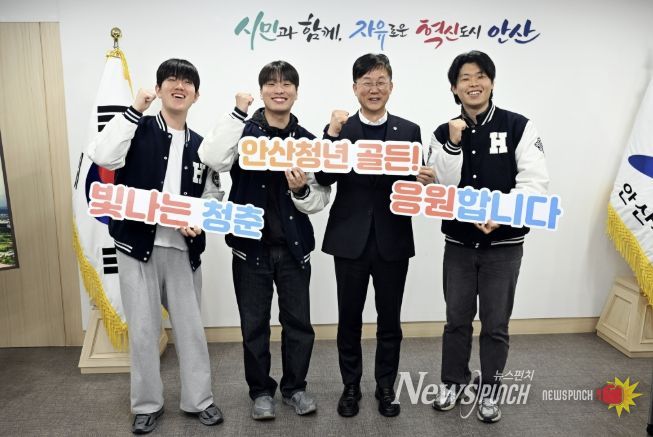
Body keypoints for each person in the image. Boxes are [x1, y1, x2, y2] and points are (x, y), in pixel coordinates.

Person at [87, 59, 224, 434]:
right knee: (144, 331)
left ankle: (200, 400)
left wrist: (201, 218)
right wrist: (135, 109)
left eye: (187, 82)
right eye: (171, 80)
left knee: (191, 331)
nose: (179, 86)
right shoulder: (137, 127)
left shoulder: (203, 146)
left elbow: (212, 194)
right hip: (136, 246)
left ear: (196, 94)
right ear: (159, 88)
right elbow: (103, 156)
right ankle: (146, 405)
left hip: (183, 249)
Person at [198, 60, 330, 421]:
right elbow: (211, 157)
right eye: (271, 84)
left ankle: (295, 388)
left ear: (296, 92)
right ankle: (260, 391)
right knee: (254, 326)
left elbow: (320, 199)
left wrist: (300, 190)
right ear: (261, 91)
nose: (279, 90)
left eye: (287, 84)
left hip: (293, 248)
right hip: (250, 248)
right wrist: (237, 113)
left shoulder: (306, 141)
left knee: (298, 324)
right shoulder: (243, 132)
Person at [429, 50, 549, 423]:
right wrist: (452, 144)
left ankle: (491, 391)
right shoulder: (442, 132)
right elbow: (441, 187)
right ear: (454, 87)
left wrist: (502, 213)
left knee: (496, 324)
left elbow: (535, 182)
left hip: (504, 247)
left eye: (480, 76)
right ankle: (453, 382)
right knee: (456, 320)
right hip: (459, 245)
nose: (473, 83)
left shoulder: (518, 126)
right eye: (465, 78)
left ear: (492, 82)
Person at [316, 53, 435, 418]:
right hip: (349, 239)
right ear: (355, 88)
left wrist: (421, 181)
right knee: (349, 319)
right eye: (366, 82)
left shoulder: (409, 131)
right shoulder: (341, 129)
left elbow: (412, 186)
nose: (374, 88)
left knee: (390, 320)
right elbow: (323, 177)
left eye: (380, 81)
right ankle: (350, 386)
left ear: (391, 87)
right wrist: (330, 134)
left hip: (392, 239)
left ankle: (386, 386)